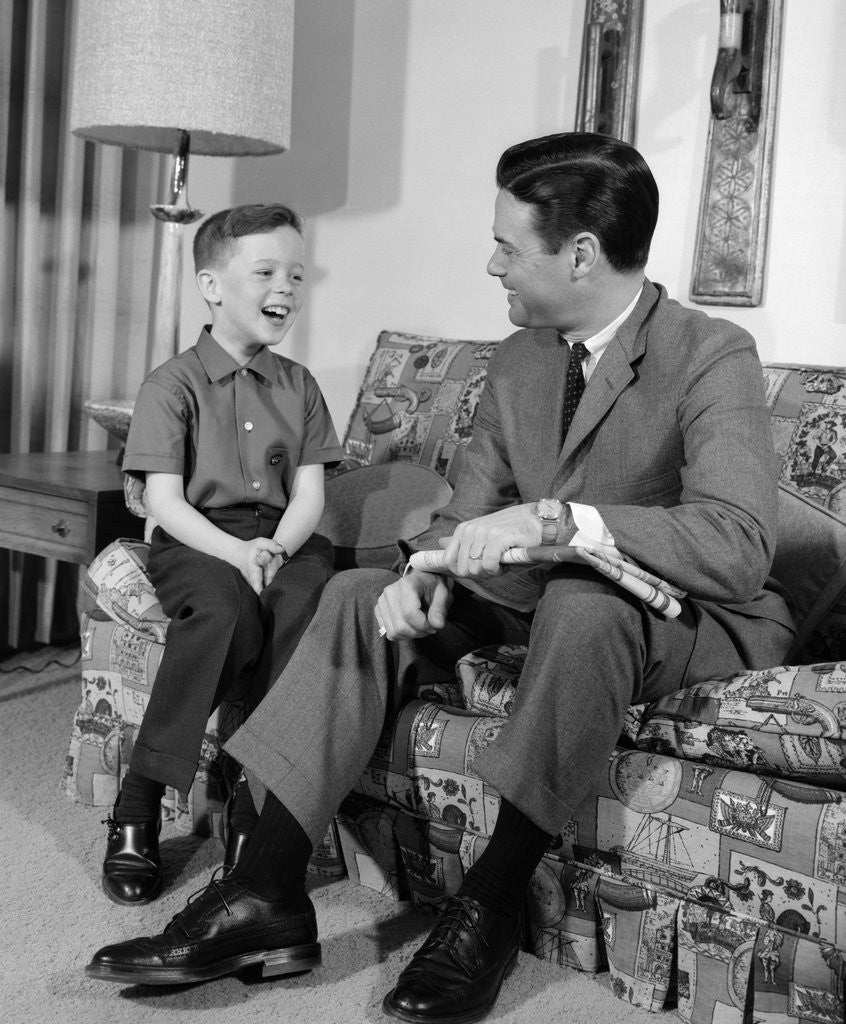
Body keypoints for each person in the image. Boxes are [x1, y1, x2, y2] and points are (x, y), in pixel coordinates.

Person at [85, 133, 795, 1022]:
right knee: (357, 597)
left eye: (507, 246)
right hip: (536, 599)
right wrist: (428, 571)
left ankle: (489, 905)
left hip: (678, 617)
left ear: (580, 254)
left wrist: (558, 521)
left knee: (582, 603)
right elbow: (468, 511)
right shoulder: (522, 356)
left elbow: (737, 541)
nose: (491, 264)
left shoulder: (711, 352)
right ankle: (265, 892)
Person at [100, 203, 344, 906]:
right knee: (223, 614)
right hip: (199, 538)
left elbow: (310, 495)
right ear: (210, 285)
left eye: (295, 274)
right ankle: (139, 801)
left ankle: (250, 809)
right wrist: (239, 554)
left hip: (285, 538)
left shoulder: (300, 385)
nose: (285, 288)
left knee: (308, 606)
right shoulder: (170, 385)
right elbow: (165, 502)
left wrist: (276, 549)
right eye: (265, 272)